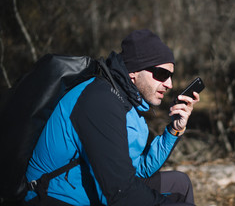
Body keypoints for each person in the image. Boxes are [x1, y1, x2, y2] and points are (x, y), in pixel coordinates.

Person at [24, 29, 199, 206]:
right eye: (162, 74)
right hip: (53, 197)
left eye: (171, 76)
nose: (170, 84)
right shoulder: (99, 102)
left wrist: (174, 129)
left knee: (180, 183)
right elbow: (121, 194)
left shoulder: (129, 105)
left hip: (93, 188)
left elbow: (139, 170)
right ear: (134, 72)